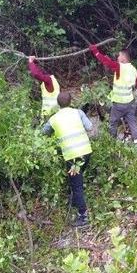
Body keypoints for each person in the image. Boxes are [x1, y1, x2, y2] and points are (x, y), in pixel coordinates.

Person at [42, 91, 94, 227]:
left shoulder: (54, 119)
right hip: (86, 152)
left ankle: (83, 217)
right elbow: (90, 127)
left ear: (58, 104)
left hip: (73, 157)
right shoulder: (78, 113)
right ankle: (75, 201)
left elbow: (43, 133)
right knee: (76, 179)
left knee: (76, 185)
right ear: (71, 102)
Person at [88, 43, 137, 149]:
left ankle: (111, 144)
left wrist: (95, 51)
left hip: (119, 103)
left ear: (123, 57)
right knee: (132, 122)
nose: (117, 58)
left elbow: (106, 62)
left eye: (119, 55)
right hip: (130, 102)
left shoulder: (119, 67)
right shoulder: (134, 70)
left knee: (113, 122)